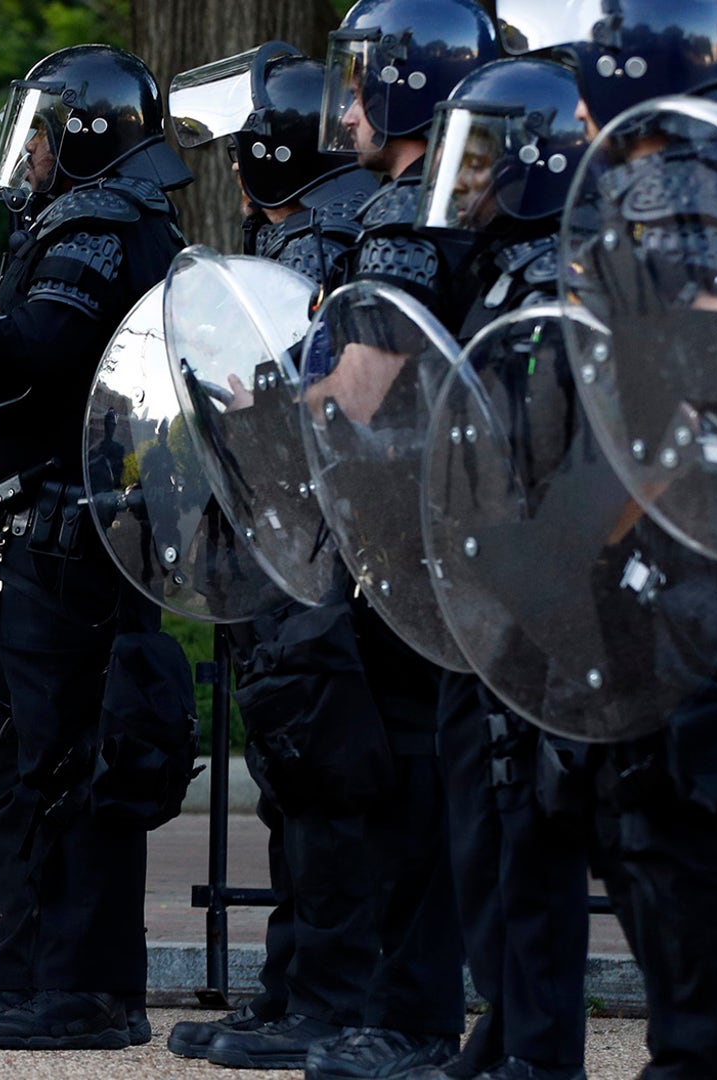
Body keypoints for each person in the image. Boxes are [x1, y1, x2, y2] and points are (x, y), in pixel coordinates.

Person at [499, 3, 717, 1077]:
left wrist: (574, 542)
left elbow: (677, 385)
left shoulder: (673, 177)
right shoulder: (710, 157)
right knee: (653, 818)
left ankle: (699, 1059)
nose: (571, 110)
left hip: (678, 543)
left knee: (672, 817)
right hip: (694, 539)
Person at [0, 42, 191, 1052]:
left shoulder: (101, 227)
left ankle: (86, 995)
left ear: (82, 136)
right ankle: (23, 979)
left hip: (82, 540)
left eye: (39, 135)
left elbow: (42, 346)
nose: (25, 158)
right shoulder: (99, 219)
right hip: (58, 531)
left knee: (77, 765)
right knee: (37, 765)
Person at [161, 41, 386, 1072]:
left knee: (319, 781)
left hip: (313, 554)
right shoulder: (313, 233)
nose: (234, 173)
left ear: (272, 155)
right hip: (297, 548)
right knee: (293, 778)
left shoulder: (315, 249)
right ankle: (290, 989)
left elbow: (275, 396)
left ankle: (324, 998)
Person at [295, 3, 500, 1077]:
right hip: (447, 531)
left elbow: (357, 393)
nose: (349, 102)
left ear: (420, 84)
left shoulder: (409, 210)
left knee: (414, 787)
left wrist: (279, 390)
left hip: (409, 537)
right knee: (429, 782)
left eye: (367, 78)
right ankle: (401, 1007)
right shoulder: (470, 196)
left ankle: (410, 1016)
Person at [398, 57, 595, 1080]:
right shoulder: (490, 273)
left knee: (530, 837)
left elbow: (567, 455)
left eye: (477, 158)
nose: (457, 178)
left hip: (534, 605)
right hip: (476, 603)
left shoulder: (558, 280)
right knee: (486, 833)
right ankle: (508, 1024)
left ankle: (541, 1049)